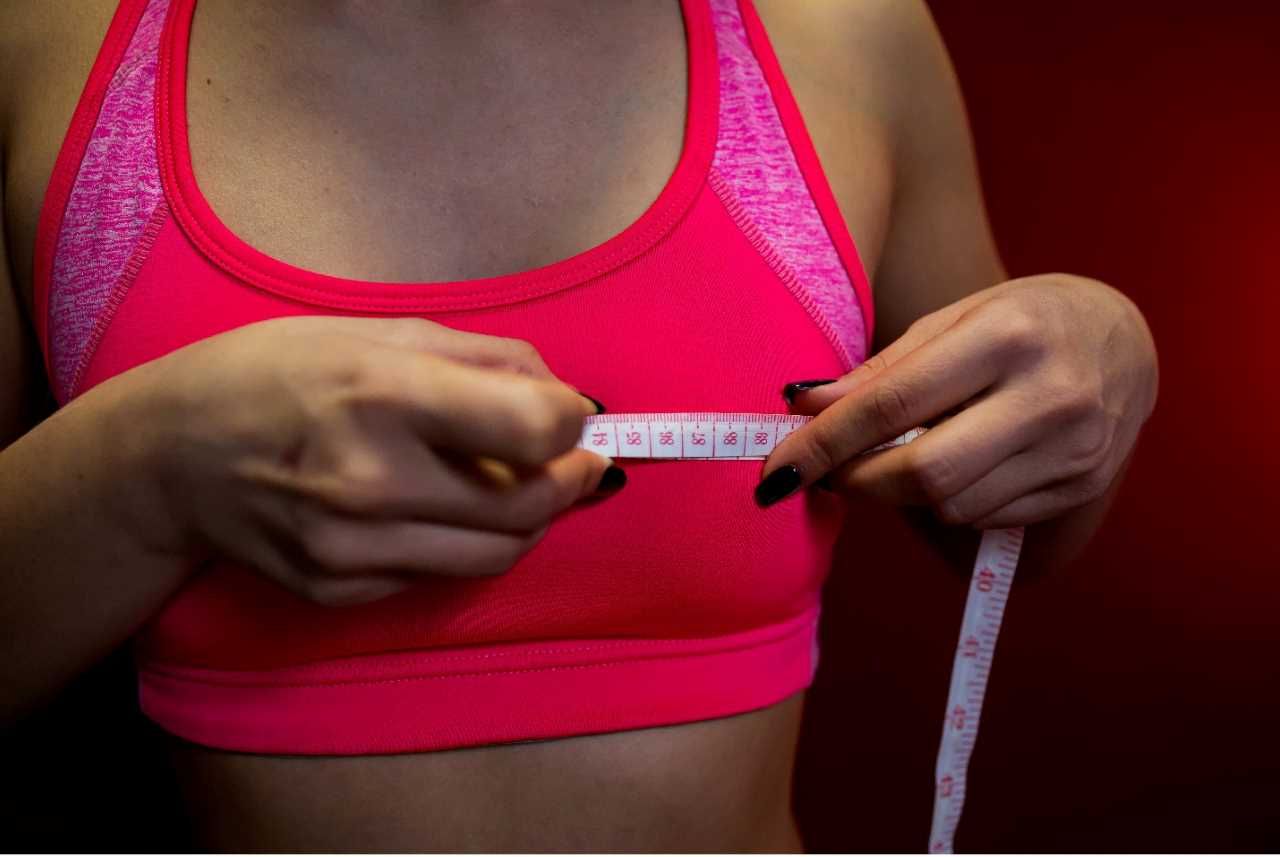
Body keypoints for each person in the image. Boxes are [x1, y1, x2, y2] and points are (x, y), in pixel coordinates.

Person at [0, 0, 1159, 850]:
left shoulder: (840, 36)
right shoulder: (43, 48)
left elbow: (1004, 526)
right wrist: (150, 466)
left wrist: (1100, 355)